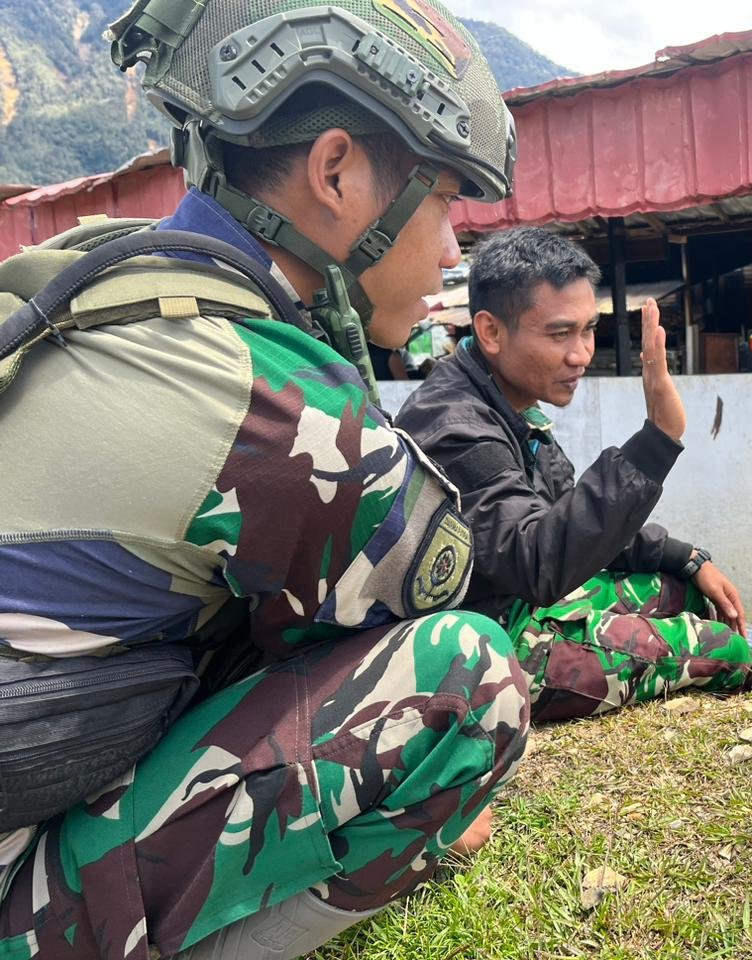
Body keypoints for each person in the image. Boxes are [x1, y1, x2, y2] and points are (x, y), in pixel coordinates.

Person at [0, 2, 530, 958]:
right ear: (336, 173)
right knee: (467, 683)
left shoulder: (96, 276)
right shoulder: (266, 395)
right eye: (448, 200)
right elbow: (439, 586)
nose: (456, 250)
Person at [397, 227, 752, 722]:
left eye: (588, 330)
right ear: (491, 332)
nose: (582, 354)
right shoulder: (453, 426)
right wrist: (658, 438)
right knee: (728, 651)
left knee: (692, 595)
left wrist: (687, 558)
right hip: (488, 644)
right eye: (560, 334)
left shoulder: (506, 402)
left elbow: (570, 518)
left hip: (522, 598)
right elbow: (539, 562)